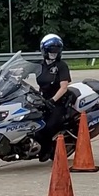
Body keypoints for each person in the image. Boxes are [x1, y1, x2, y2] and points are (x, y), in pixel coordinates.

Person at [35, 33, 72, 161]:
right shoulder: (40, 65)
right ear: (44, 50)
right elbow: (22, 72)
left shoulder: (61, 66)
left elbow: (64, 87)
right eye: (51, 50)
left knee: (47, 126)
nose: (53, 53)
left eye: (56, 50)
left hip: (58, 102)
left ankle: (47, 149)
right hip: (42, 100)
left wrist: (52, 100)